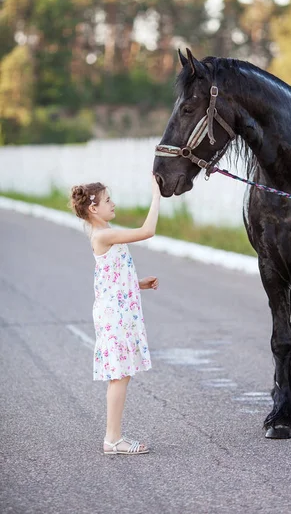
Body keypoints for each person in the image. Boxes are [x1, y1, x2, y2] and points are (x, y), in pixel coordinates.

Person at [69, 176, 161, 455]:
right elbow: (147, 231)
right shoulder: (102, 235)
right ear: (94, 209)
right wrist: (157, 195)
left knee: (122, 375)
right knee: (119, 376)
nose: (113, 204)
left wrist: (138, 283)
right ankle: (113, 439)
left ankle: (114, 437)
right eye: (108, 200)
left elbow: (111, 276)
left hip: (119, 311)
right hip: (114, 315)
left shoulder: (104, 233)